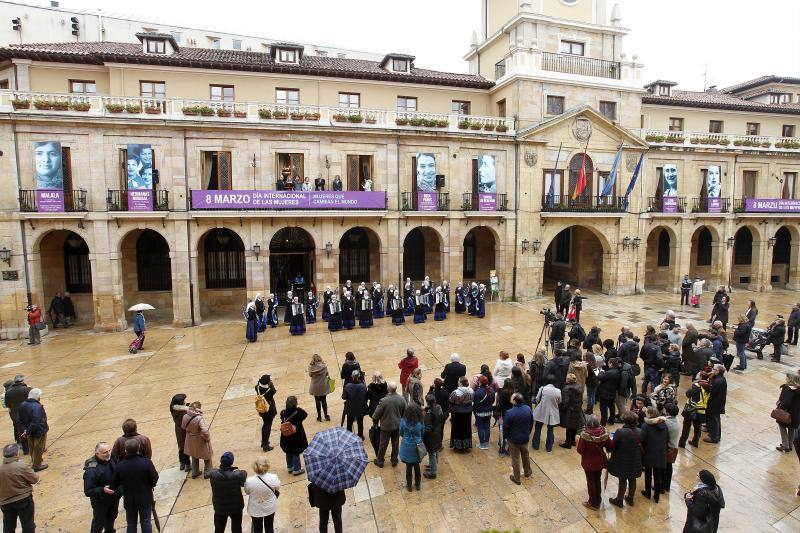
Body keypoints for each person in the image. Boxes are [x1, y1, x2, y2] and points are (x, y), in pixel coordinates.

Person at [109, 439, 158, 533]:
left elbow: (114, 483)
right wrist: (149, 486)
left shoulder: (120, 466)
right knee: (146, 521)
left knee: (131, 523)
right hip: (145, 497)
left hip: (129, 499)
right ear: (139, 448)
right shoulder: (146, 463)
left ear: (125, 450)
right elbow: (154, 479)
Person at [607, 411, 643, 508]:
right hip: (635, 460)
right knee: (632, 479)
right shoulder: (640, 431)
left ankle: (619, 499)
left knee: (622, 480)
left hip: (622, 460)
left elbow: (613, 446)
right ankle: (630, 498)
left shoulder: (620, 432)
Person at [0, 443, 38, 532]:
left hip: (5, 502)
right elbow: (35, 479)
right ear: (16, 453)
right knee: (28, 525)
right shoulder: (21, 466)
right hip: (23, 500)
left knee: (8, 527)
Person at [576, 415, 609, 510]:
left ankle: (593, 503)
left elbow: (580, 450)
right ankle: (598, 499)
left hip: (588, 463)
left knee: (591, 482)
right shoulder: (603, 433)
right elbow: (610, 445)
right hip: (600, 462)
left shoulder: (585, 435)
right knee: (597, 480)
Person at [210, 451, 247, 533]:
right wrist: (234, 469)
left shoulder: (213, 474)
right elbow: (244, 474)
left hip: (220, 507)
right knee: (236, 528)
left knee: (219, 529)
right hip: (236, 508)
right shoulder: (237, 475)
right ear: (231, 462)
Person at [372, 382, 406, 467]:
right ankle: (394, 460)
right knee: (395, 443)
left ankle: (380, 460)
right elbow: (404, 413)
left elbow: (375, 415)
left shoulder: (384, 401)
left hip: (386, 427)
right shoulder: (402, 399)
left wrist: (375, 423)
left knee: (383, 444)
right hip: (397, 425)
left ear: (389, 389)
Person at [503, 392, 534, 485]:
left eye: (512, 397)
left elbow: (506, 427)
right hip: (525, 437)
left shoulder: (509, 413)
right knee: (525, 455)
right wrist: (528, 432)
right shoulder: (528, 409)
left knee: (515, 458)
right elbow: (531, 422)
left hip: (513, 439)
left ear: (515, 401)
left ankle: (516, 478)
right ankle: (527, 472)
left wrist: (506, 437)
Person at [640, 406, 668, 503]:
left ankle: (647, 492)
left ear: (650, 414)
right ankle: (656, 496)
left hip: (649, 453)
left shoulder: (645, 426)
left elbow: (642, 439)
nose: (645, 414)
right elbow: (667, 438)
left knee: (648, 474)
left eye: (647, 412)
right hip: (660, 453)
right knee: (657, 475)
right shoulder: (664, 425)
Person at [244, 456, 280, 533]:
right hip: (269, 507)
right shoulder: (273, 477)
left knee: (257, 529)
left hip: (255, 509)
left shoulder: (249, 481)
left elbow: (247, 491)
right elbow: (278, 487)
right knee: (269, 527)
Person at [16, 388, 48, 471]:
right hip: (38, 431)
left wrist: (25, 431)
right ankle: (37, 465)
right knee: (38, 448)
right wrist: (28, 431)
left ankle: (35, 461)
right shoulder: (37, 406)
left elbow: (18, 420)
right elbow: (36, 421)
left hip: (28, 431)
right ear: (37, 397)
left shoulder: (22, 405)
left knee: (32, 447)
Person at [182, 401, 214, 479]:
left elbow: (183, 427)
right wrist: (207, 438)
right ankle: (208, 472)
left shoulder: (185, 416)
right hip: (199, 439)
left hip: (190, 439)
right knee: (207, 455)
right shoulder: (199, 418)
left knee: (194, 455)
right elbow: (205, 430)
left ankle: (195, 472)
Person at [679, 373, 710, 448]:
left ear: (701, 377)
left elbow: (688, 394)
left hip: (691, 409)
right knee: (697, 427)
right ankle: (695, 442)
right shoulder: (709, 386)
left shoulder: (697, 385)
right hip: (702, 410)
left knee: (686, 427)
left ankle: (682, 443)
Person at [278, 396, 308, 476]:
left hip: (286, 435)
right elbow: (305, 415)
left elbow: (282, 418)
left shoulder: (283, 412)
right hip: (296, 436)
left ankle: (289, 467)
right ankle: (297, 469)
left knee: (288, 451)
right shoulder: (298, 412)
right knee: (295, 452)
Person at [399, 403, 425, 491]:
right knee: (417, 467)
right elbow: (422, 432)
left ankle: (409, 486)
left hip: (406, 447)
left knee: (408, 467)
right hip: (417, 447)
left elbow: (401, 433)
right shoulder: (420, 422)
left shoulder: (403, 421)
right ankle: (418, 485)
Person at [532, 375, 561, 452]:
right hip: (552, 412)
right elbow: (559, 401)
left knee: (538, 428)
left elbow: (537, 399)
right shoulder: (558, 391)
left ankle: (535, 445)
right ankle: (549, 448)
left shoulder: (542, 389)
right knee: (550, 430)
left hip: (541, 410)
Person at [5, 376, 31, 455]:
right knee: (32, 430)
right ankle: (34, 447)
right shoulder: (28, 389)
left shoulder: (8, 392)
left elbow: (7, 404)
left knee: (21, 431)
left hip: (16, 414)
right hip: (28, 413)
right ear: (22, 381)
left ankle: (25, 449)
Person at [775, 371, 800, 452]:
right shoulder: (798, 389)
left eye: (787, 377)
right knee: (791, 428)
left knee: (781, 425)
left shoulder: (788, 389)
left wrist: (779, 405)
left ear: (791, 380)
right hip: (796, 415)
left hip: (787, 414)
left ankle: (785, 445)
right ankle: (790, 445)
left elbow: (786, 403)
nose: (786, 379)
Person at [559, 373, 584, 449]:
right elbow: (581, 400)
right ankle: (573, 441)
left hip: (570, 410)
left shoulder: (566, 389)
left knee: (569, 427)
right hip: (577, 409)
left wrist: (561, 408)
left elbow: (565, 402)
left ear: (568, 380)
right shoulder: (580, 387)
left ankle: (568, 443)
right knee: (574, 426)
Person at [448, 377, 474, 452]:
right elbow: (472, 399)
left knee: (457, 428)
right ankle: (466, 445)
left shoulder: (455, 392)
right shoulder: (471, 391)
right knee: (466, 428)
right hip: (468, 412)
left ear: (461, 383)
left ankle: (457, 446)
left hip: (457, 413)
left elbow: (450, 400)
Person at [422, 394, 444, 479]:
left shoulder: (429, 414)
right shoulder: (439, 407)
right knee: (436, 450)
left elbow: (428, 428)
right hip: (438, 432)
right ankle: (433, 464)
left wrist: (422, 436)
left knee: (431, 453)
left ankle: (433, 472)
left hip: (431, 436)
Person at [705, 364, 727, 444]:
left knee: (714, 420)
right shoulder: (721, 379)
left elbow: (712, 391)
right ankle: (716, 435)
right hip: (717, 403)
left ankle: (714, 437)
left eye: (714, 369)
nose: (712, 370)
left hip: (715, 404)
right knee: (716, 419)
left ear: (718, 371)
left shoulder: (718, 381)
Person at [343, 371, 367, 439]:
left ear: (352, 376)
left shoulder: (348, 386)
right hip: (360, 407)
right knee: (360, 423)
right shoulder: (363, 386)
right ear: (359, 376)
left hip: (350, 408)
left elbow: (344, 397)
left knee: (349, 423)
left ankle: (349, 437)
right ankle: (360, 436)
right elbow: (366, 396)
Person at [255, 376, 277, 452]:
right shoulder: (270, 391)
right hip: (269, 410)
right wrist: (271, 384)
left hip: (262, 410)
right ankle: (265, 445)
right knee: (268, 427)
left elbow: (258, 383)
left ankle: (264, 441)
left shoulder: (257, 387)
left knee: (265, 424)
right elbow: (274, 389)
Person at [473, 375, 495, 450]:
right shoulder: (491, 390)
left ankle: (482, 444)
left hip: (480, 412)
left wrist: (474, 411)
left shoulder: (478, 392)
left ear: (480, 382)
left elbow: (476, 404)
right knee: (487, 427)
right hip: (488, 411)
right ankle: (486, 444)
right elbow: (492, 401)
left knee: (481, 428)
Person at [169, 394, 190, 470]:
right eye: (184, 400)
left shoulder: (173, 409)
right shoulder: (183, 414)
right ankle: (187, 465)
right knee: (186, 448)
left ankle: (182, 463)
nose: (185, 401)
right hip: (184, 431)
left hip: (178, 430)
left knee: (181, 447)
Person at [308, 354, 331, 422]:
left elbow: (310, 375)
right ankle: (326, 416)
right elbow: (327, 374)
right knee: (324, 401)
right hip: (323, 386)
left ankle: (319, 417)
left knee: (317, 401)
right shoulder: (324, 366)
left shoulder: (311, 367)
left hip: (315, 386)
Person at [663, 403, 680, 494]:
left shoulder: (667, 423)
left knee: (664, 467)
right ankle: (667, 486)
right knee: (669, 467)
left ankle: (663, 485)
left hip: (669, 448)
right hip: (674, 447)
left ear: (668, 412)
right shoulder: (676, 419)